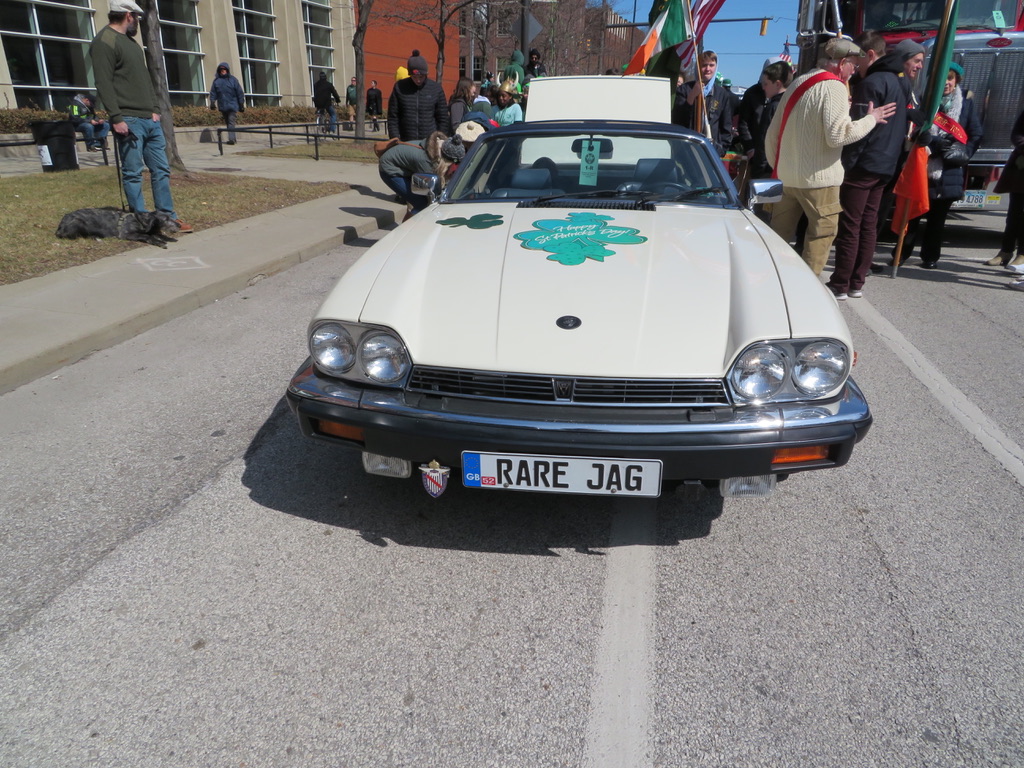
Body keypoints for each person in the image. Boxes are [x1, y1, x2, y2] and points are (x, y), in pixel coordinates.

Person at [765, 38, 895, 275]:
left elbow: (772, 134)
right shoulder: (835, 87)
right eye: (853, 65)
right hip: (820, 180)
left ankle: (770, 281)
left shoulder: (798, 82)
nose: (854, 71)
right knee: (821, 234)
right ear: (842, 63)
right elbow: (838, 135)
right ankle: (807, 288)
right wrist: (871, 119)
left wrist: (780, 166)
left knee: (777, 237)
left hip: (786, 178)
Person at [89, 0, 191, 232]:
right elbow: (103, 83)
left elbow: (144, 79)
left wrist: (155, 109)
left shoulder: (131, 42)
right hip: (128, 119)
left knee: (161, 169)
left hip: (149, 119)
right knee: (133, 172)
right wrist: (117, 118)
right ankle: (140, 221)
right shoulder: (104, 41)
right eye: (136, 16)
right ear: (128, 15)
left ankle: (167, 217)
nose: (137, 20)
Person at [827, 31, 910, 299]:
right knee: (868, 224)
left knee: (851, 226)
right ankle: (857, 282)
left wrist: (847, 165)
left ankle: (840, 283)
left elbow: (859, 131)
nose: (855, 64)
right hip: (885, 164)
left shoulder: (871, 82)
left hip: (863, 164)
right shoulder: (898, 82)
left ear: (870, 54)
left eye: (857, 58)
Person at [900, 63, 984, 268]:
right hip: (923, 164)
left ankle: (930, 257)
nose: (946, 83)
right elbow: (913, 130)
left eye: (950, 78)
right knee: (913, 215)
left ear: (956, 81)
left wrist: (963, 153)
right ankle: (901, 254)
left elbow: (976, 134)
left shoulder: (966, 104)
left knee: (937, 219)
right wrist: (931, 141)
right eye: (942, 78)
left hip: (949, 168)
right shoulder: (924, 101)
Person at [378, 130, 465, 219]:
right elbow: (432, 189)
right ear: (446, 160)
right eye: (453, 163)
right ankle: (407, 227)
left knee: (419, 200)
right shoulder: (426, 161)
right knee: (421, 204)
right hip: (389, 169)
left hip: (404, 166)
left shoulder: (438, 149)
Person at [672, 50, 734, 156]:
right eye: (704, 65)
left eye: (711, 65)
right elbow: (678, 120)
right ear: (698, 67)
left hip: (711, 152)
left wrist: (721, 149)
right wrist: (692, 95)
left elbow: (726, 126)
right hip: (686, 149)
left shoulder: (721, 94)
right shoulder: (684, 89)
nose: (708, 69)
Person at [987, 107, 1024, 267]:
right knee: (1014, 214)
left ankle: (1022, 254)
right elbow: (1017, 134)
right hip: (1021, 170)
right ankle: (1005, 251)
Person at [388, 51, 450, 141]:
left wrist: (440, 139)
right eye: (414, 77)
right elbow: (393, 117)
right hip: (406, 141)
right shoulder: (400, 87)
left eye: (421, 77)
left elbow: (443, 118)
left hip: (430, 141)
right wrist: (395, 138)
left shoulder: (435, 89)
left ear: (426, 74)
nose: (418, 80)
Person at [208, 62, 244, 145]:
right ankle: (233, 138)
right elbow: (213, 93)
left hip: (232, 105)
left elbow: (239, 92)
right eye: (221, 69)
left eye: (224, 69)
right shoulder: (216, 81)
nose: (223, 71)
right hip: (223, 105)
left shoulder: (233, 80)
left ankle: (231, 139)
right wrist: (212, 102)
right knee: (228, 122)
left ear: (227, 70)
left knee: (231, 121)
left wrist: (241, 104)